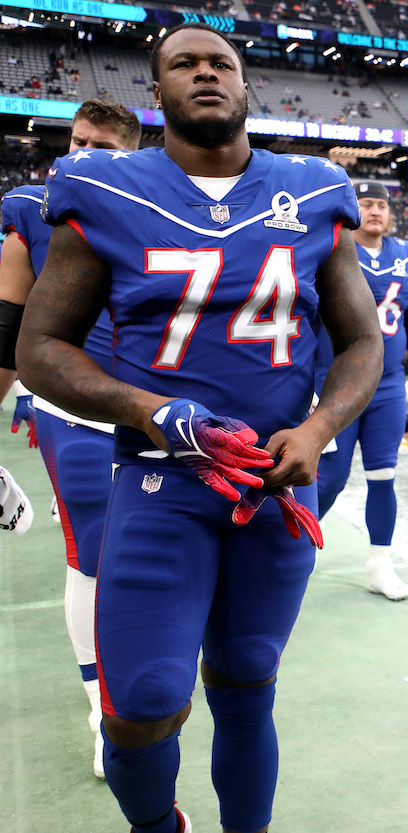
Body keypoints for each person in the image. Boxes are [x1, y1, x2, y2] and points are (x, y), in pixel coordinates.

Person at [15, 23, 383, 833]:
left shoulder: (315, 190)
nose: (206, 73)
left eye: (222, 62)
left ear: (248, 87)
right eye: (184, 63)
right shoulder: (105, 189)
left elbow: (363, 340)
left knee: (249, 679)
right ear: (159, 92)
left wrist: (318, 428)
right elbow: (38, 348)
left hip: (274, 479)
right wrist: (148, 407)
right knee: (140, 705)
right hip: (159, 475)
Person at [0, 98, 141, 780]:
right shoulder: (33, 206)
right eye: (75, 140)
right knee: (91, 555)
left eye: (101, 145)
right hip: (75, 409)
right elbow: (8, 321)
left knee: (154, 560)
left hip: (156, 410)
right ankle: (101, 709)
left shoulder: (161, 200)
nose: (79, 153)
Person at [315, 181, 408, 600]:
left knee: (384, 475)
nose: (375, 210)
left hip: (388, 384)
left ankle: (380, 564)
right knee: (329, 478)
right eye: (366, 204)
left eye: (381, 204)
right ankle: (288, 546)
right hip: (335, 380)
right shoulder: (330, 248)